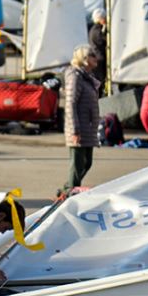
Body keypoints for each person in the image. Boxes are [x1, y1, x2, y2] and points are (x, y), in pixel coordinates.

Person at [62, 45, 100, 194]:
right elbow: (70, 103)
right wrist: (75, 130)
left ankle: (67, 189)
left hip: (88, 128)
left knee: (86, 163)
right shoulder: (75, 76)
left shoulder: (86, 77)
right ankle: (69, 192)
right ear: (84, 59)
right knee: (77, 164)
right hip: (79, 129)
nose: (95, 57)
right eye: (92, 55)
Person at [88, 9, 107, 92]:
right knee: (100, 83)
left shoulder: (94, 29)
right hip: (99, 60)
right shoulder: (97, 31)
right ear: (101, 19)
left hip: (97, 59)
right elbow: (104, 42)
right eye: (105, 18)